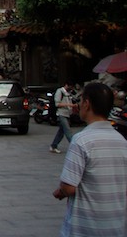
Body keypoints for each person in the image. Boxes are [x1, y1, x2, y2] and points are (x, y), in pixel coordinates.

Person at [52, 82, 127, 236]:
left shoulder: (81, 140)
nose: (78, 105)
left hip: (85, 227)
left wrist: (60, 192)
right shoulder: (122, 141)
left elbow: (68, 187)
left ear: (87, 104)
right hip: (117, 226)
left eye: (80, 101)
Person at [50, 80, 76, 154]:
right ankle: (74, 147)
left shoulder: (68, 93)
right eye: (70, 87)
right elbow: (57, 104)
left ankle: (53, 146)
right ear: (67, 85)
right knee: (68, 131)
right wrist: (69, 105)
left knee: (61, 132)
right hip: (61, 114)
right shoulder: (60, 91)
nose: (71, 88)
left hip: (67, 114)